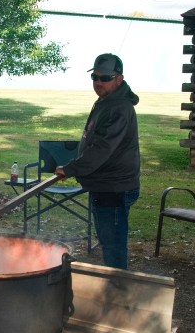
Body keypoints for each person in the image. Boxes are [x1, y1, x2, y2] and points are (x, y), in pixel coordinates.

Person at [55, 53, 140, 269]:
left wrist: (72, 168)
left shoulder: (119, 107)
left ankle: (117, 290)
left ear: (119, 79)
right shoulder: (107, 101)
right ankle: (115, 286)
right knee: (109, 242)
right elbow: (94, 143)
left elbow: (102, 148)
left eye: (105, 78)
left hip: (114, 188)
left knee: (113, 245)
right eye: (95, 77)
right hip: (105, 184)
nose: (98, 82)